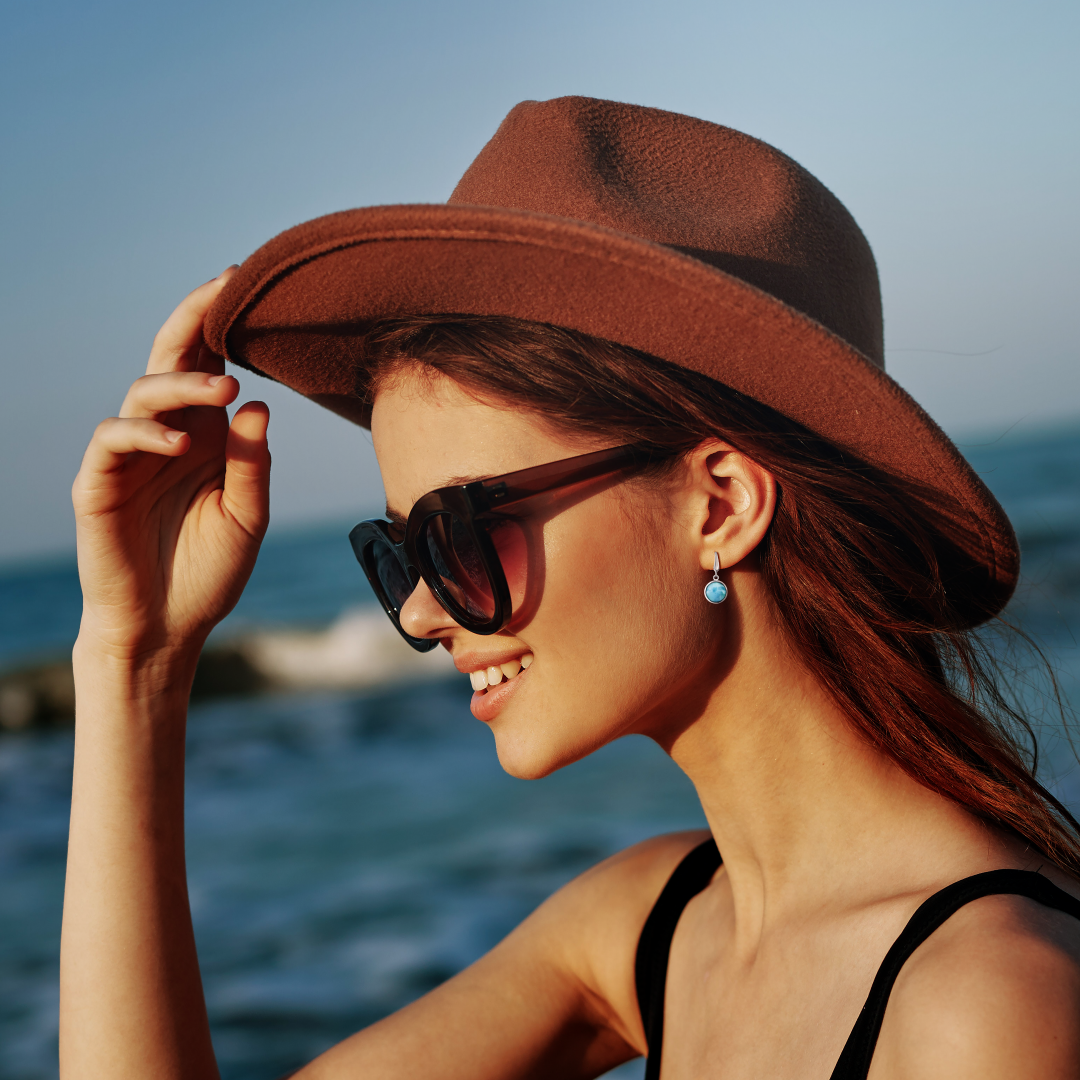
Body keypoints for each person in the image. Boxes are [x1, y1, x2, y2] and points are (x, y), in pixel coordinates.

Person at [61, 97, 1080, 1080]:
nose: (422, 610)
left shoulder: (986, 1003)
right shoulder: (654, 929)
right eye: (402, 553)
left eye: (460, 533)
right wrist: (133, 660)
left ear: (720, 505)